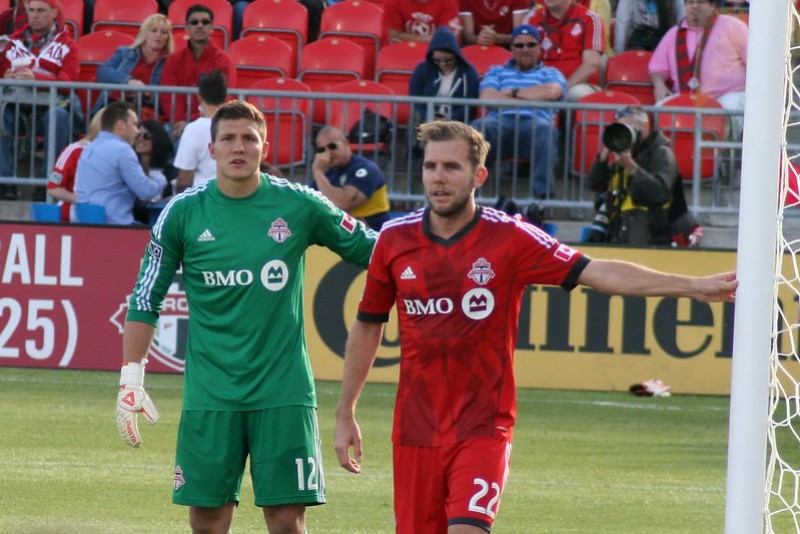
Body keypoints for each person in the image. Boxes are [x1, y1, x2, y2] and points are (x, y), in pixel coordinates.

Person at [332, 120, 738, 533]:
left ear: (478, 175)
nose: (438, 177)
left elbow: (598, 272)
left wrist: (692, 287)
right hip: (415, 431)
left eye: (452, 167)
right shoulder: (394, 239)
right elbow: (368, 325)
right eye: (431, 166)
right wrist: (346, 411)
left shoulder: (509, 237)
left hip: (483, 427)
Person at [115, 100, 377, 533]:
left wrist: (436, 256)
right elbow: (146, 296)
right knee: (207, 523)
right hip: (211, 394)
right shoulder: (182, 213)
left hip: (283, 391)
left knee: (286, 521)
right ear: (212, 150)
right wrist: (131, 377)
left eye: (248, 139)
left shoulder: (300, 205)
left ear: (264, 147)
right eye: (228, 139)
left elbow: (374, 250)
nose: (239, 147)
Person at [470, 24, 565, 198]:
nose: (525, 49)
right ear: (512, 49)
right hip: (500, 124)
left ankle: (541, 200)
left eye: (531, 45)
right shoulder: (497, 71)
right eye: (519, 45)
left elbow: (552, 92)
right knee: (477, 128)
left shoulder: (551, 73)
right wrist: (531, 98)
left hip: (535, 125)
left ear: (539, 47)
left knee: (545, 129)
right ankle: (469, 195)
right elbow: (487, 97)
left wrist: (511, 93)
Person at [585, 105, 699, 245]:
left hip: (654, 236)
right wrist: (602, 158)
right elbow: (593, 185)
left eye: (629, 126)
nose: (624, 132)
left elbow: (660, 192)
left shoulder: (661, 153)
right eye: (621, 127)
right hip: (621, 232)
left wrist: (631, 167)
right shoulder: (624, 153)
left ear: (645, 127)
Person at [0, 0, 78, 200]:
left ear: (53, 14)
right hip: (15, 106)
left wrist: (38, 78)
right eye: (31, 10)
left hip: (49, 108)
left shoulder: (68, 45)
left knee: (59, 116)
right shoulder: (11, 43)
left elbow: (68, 82)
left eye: (41, 10)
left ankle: (45, 185)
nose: (34, 15)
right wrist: (5, 78)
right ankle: (5, 182)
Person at [648, 0, 748, 138]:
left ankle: (717, 158)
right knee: (660, 109)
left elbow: (754, 62)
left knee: (721, 113)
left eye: (700, 2)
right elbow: (657, 68)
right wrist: (658, 84)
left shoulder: (732, 26)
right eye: (690, 2)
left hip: (727, 95)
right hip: (686, 95)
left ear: (712, 5)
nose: (694, 6)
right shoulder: (673, 33)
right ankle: (672, 157)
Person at [74, 101, 167, 225]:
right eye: (134, 124)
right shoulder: (122, 150)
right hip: (114, 226)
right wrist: (160, 179)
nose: (137, 131)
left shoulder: (89, 148)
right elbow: (145, 191)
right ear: (120, 125)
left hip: (84, 223)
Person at [159, 4, 235, 140]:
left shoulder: (223, 61)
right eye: (194, 22)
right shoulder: (174, 60)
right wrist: (179, 121)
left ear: (211, 28)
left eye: (205, 22)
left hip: (212, 123)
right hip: (177, 124)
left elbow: (223, 98)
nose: (200, 25)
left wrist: (190, 122)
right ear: (186, 28)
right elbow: (168, 96)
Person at [517, 0, 606, 101]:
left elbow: (591, 63)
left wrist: (562, 88)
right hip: (540, 83)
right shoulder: (531, 19)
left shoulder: (590, 18)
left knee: (575, 94)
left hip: (578, 85)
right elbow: (521, 58)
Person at [93, 13, 174, 117]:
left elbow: (169, 99)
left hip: (143, 113)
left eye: (163, 32)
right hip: (113, 105)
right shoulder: (124, 52)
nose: (158, 35)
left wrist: (148, 93)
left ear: (167, 38)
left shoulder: (170, 62)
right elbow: (103, 71)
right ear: (144, 33)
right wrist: (128, 81)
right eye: (153, 30)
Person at [311, 126, 390, 231]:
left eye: (332, 146)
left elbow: (342, 203)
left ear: (345, 143)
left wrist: (318, 172)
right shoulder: (326, 176)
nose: (328, 153)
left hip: (374, 237)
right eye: (322, 149)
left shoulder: (366, 169)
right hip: (341, 238)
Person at [409, 26, 479, 124]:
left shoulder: (468, 72)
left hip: (457, 122)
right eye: (437, 60)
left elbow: (470, 105)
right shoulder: (422, 69)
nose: (442, 64)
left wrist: (451, 118)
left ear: (456, 55)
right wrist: (428, 117)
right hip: (427, 120)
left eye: (448, 60)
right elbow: (415, 100)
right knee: (415, 118)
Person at [46, 107, 104, 222]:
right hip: (72, 220)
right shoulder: (74, 151)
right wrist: (84, 201)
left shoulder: (123, 154)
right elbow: (53, 187)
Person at [173, 69, 226, 193]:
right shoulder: (237, 125)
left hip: (204, 200)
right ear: (225, 95)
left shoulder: (193, 129)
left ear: (199, 96)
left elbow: (184, 178)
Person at [613, 0, 685, 55]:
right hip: (637, 43)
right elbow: (621, 29)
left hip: (663, 42)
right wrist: (620, 58)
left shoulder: (676, 2)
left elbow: (683, 25)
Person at [383, 0, 462, 44]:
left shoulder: (448, 2)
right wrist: (432, 39)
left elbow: (447, 39)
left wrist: (405, 37)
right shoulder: (393, 2)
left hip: (436, 56)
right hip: (400, 53)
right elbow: (394, 36)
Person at [458, 0, 529, 47]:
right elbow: (467, 35)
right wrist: (479, 39)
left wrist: (497, 38)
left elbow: (519, 35)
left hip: (508, 49)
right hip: (476, 48)